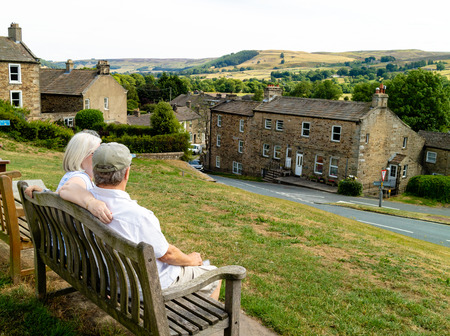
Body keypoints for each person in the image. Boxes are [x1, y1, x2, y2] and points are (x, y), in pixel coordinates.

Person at [59, 142, 221, 299]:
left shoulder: (83, 202)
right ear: (127, 173)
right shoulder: (137, 215)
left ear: (94, 171)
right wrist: (191, 260)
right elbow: (168, 255)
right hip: (145, 288)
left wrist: (90, 202)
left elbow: (65, 188)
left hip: (108, 281)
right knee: (215, 275)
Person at [25, 130, 112, 224]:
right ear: (81, 155)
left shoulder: (71, 176)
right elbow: (69, 188)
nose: (101, 158)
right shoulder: (80, 178)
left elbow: (61, 194)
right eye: (96, 153)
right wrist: (91, 202)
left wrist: (45, 193)